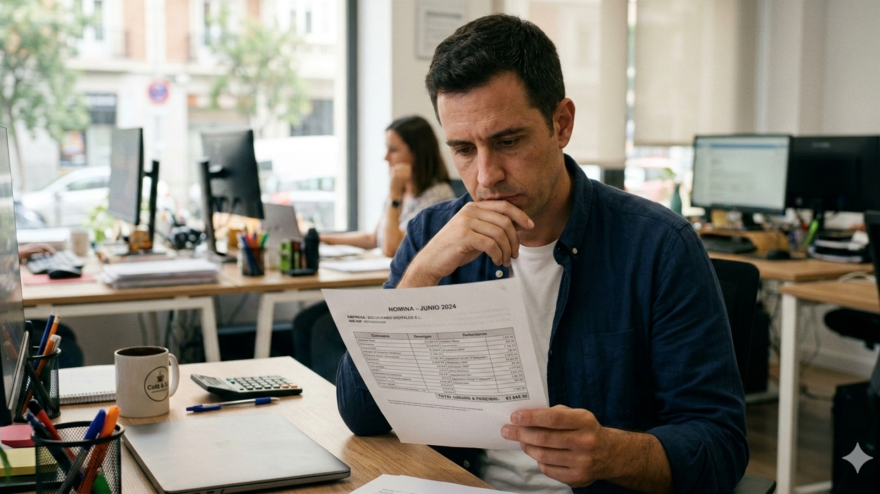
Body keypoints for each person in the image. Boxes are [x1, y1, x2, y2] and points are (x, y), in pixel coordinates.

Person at [335, 14, 748, 494]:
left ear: (561, 123)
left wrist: (612, 453)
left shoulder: (659, 247)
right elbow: (361, 415)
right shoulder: (431, 232)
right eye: (464, 149)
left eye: (508, 142)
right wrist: (421, 273)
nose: (486, 176)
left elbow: (721, 446)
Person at [320, 115, 456, 257]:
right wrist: (322, 238)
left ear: (417, 152)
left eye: (393, 150)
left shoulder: (439, 197)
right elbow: (373, 238)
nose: (386, 157)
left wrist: (394, 194)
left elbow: (392, 249)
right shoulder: (401, 191)